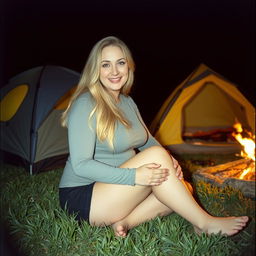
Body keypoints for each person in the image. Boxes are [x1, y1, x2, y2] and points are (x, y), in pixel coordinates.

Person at [59, 36, 248, 237]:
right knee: (161, 163)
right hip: (84, 197)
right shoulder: (86, 103)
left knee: (183, 189)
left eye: (120, 63)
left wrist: (170, 160)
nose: (114, 71)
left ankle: (125, 222)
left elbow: (147, 140)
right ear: (95, 69)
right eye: (106, 65)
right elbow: (81, 164)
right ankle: (204, 223)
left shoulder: (127, 102)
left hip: (114, 190)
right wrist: (134, 176)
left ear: (129, 67)